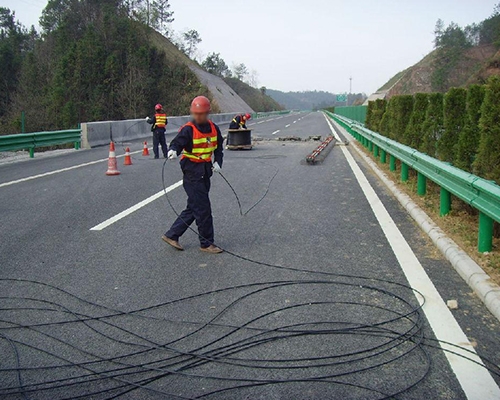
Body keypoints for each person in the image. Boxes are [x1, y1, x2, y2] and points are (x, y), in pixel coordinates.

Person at [162, 96, 224, 254]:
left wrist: (218, 162)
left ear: (207, 113)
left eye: (201, 113)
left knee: (194, 207)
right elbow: (178, 142)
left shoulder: (214, 129)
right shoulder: (189, 129)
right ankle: (206, 243)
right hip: (191, 171)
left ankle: (172, 234)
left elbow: (218, 149)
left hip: (205, 171)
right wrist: (173, 150)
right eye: (195, 113)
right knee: (203, 209)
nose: (198, 116)